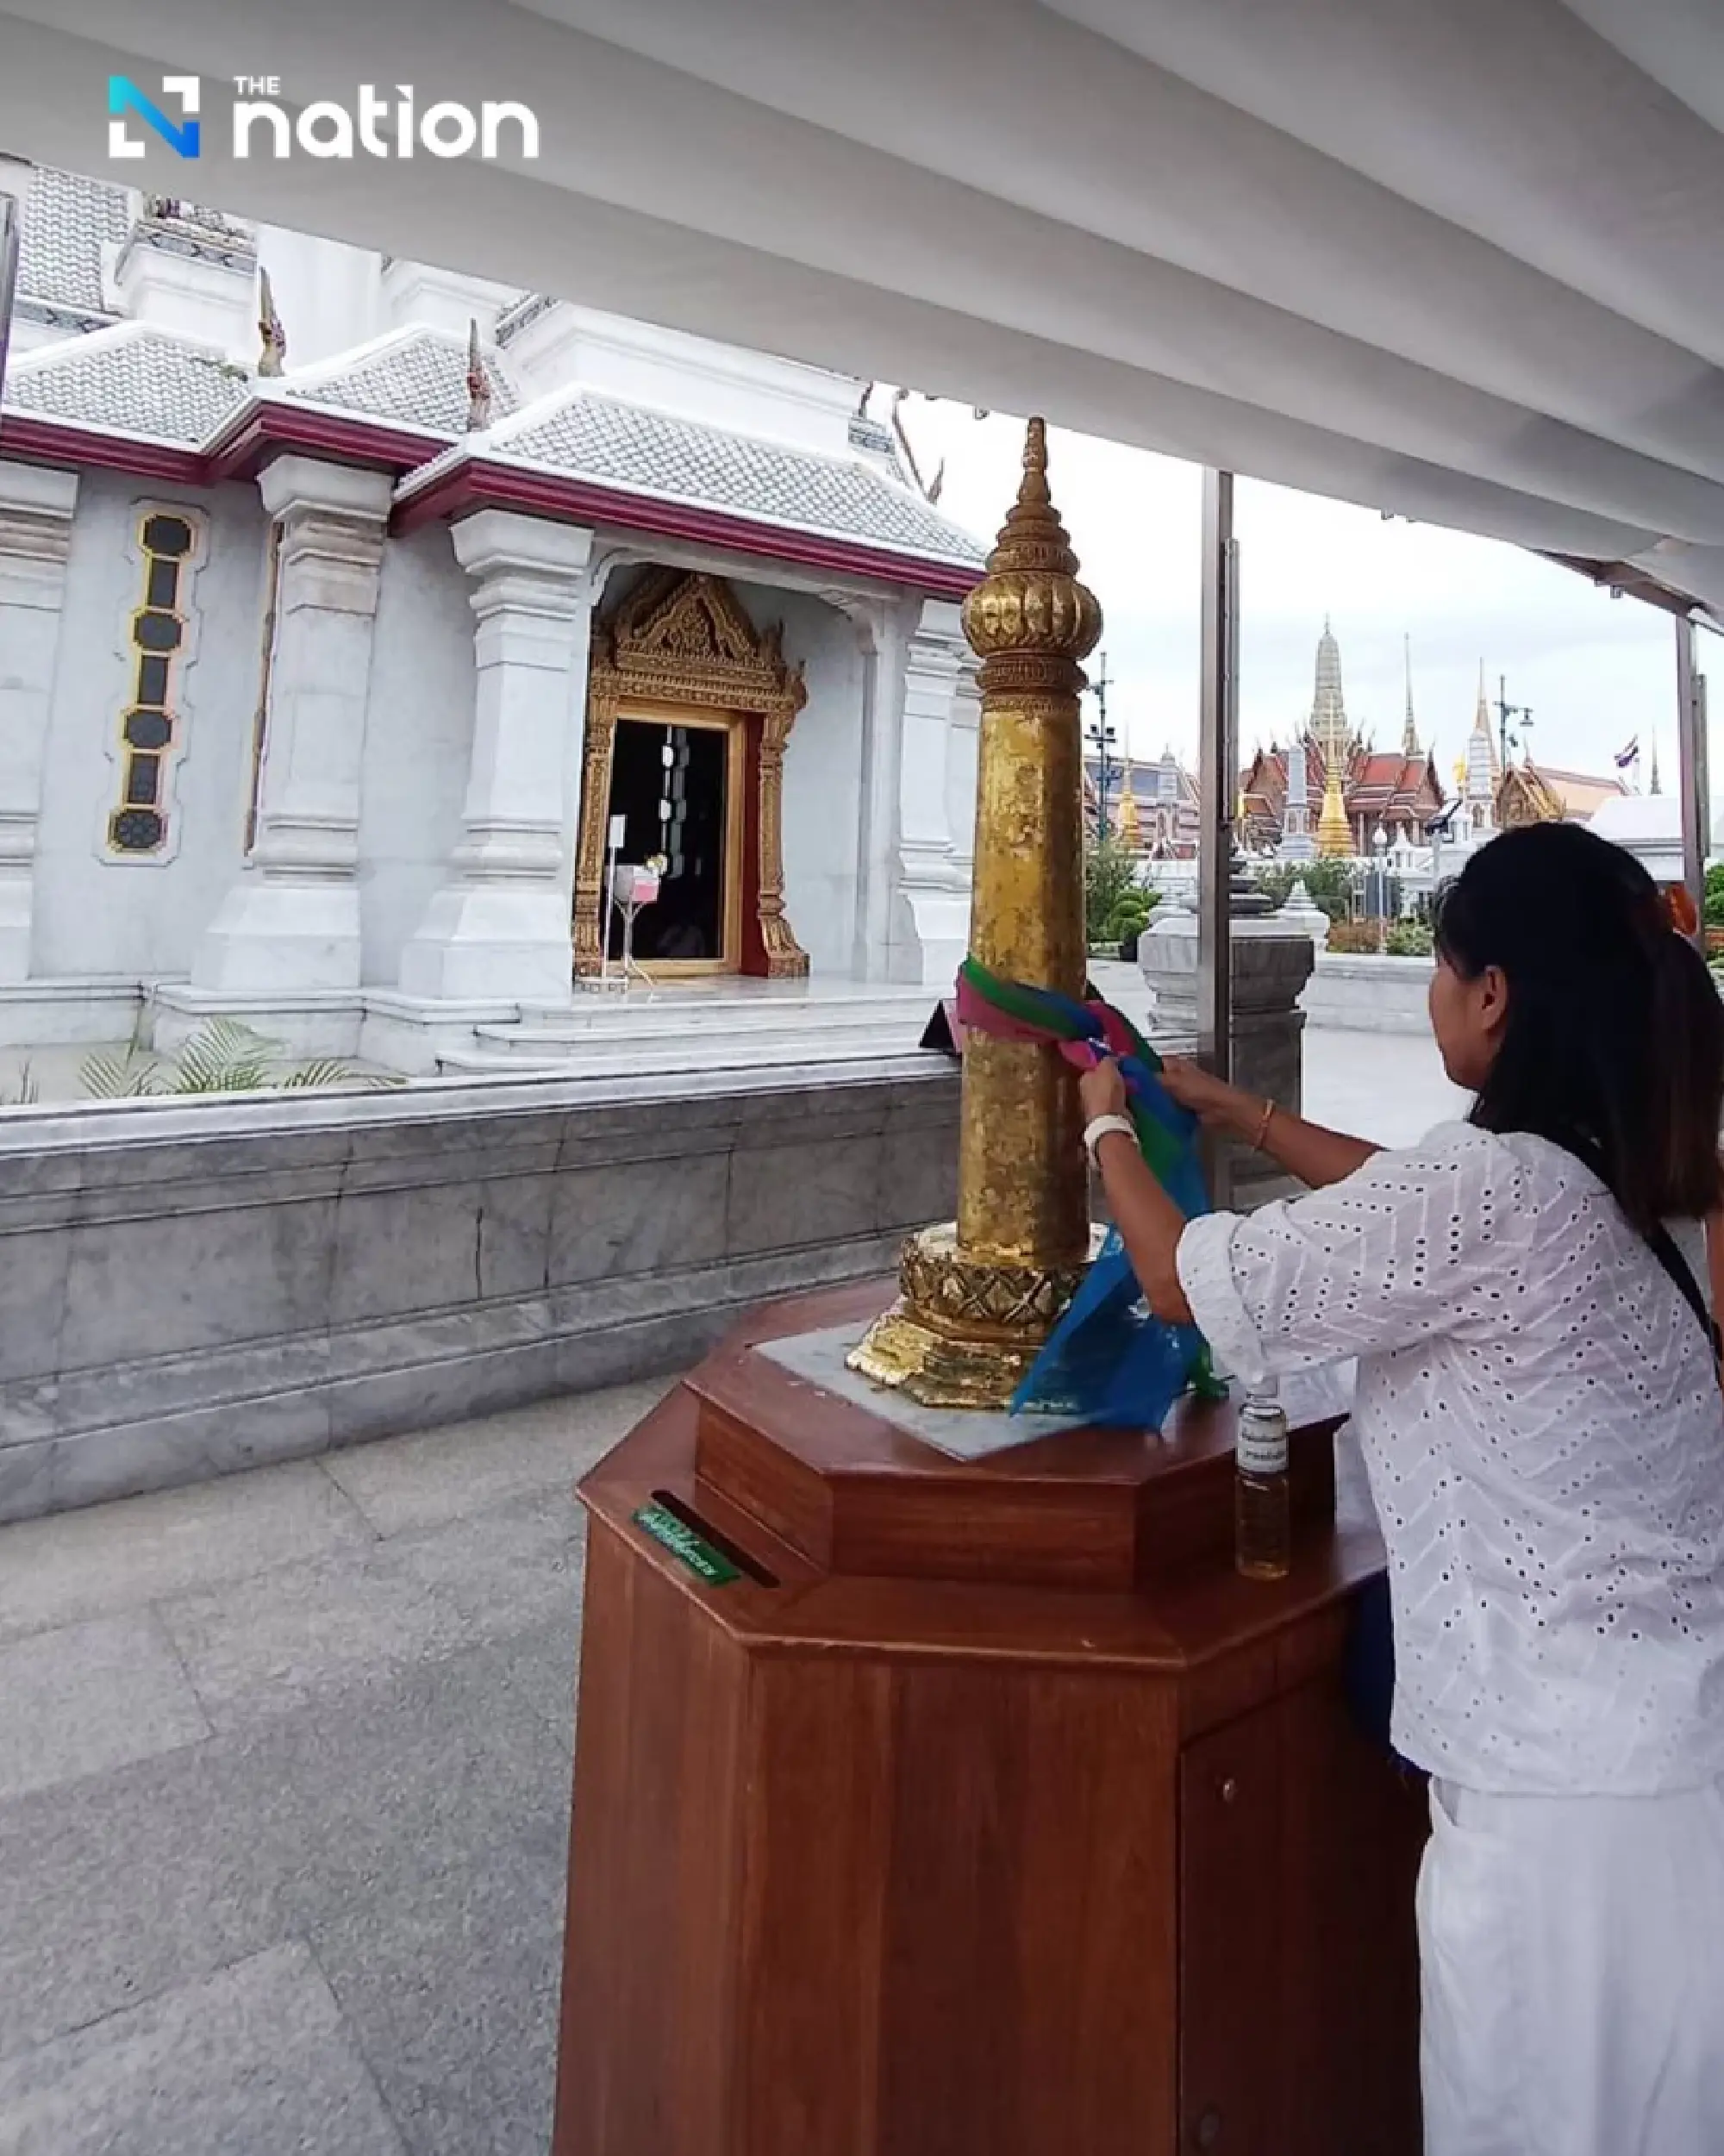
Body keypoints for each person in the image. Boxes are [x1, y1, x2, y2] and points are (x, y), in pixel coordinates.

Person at [1077, 822, 1724, 2156]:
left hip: (1566, 1834)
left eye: (1439, 962)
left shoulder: (1494, 1189)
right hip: (1677, 1772)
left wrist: (1103, 1127)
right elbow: (1401, 1205)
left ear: (1494, 993)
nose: (1432, 990)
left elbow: (1186, 1283)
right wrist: (1239, 1111)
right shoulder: (1620, 1177)